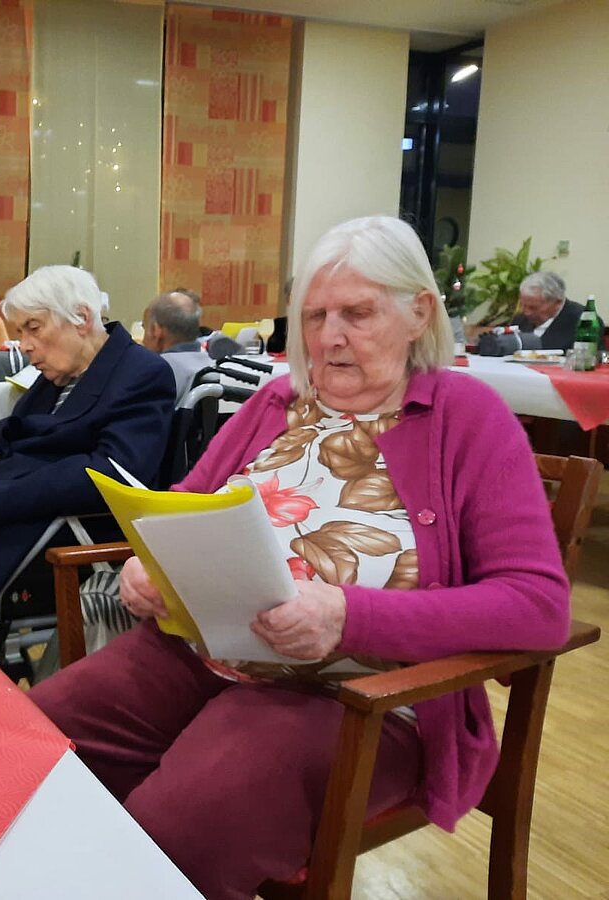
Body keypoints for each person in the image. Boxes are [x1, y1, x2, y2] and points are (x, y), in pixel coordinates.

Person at [29, 216, 570, 898]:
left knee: (181, 828)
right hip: (204, 653)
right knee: (36, 748)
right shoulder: (277, 400)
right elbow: (182, 504)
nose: (329, 337)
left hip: (358, 696)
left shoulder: (468, 417)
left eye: (358, 313)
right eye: (314, 315)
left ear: (419, 313)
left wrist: (349, 616)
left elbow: (540, 606)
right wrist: (148, 564)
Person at [0, 265, 177, 615]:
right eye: (20, 331)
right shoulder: (59, 373)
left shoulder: (141, 374)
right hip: (8, 518)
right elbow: (6, 448)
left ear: (81, 318)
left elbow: (110, 473)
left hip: (51, 532)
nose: (25, 345)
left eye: (34, 328)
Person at [509, 271, 582, 350]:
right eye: (523, 305)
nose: (526, 312)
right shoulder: (520, 320)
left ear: (557, 302)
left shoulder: (582, 321)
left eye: (533, 308)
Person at [142, 289, 203, 353]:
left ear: (155, 331)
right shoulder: (211, 361)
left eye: (145, 328)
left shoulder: (153, 362)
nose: (143, 341)